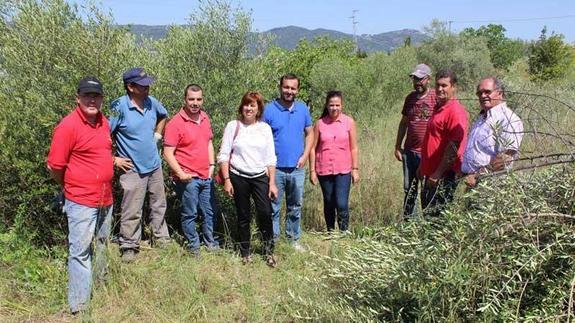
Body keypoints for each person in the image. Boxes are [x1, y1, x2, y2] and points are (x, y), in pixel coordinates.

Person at [47, 77, 114, 314]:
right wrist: (71, 185)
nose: (92, 100)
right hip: (81, 201)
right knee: (81, 251)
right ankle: (79, 306)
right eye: (87, 95)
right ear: (78, 98)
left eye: (96, 95)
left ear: (102, 99)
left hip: (106, 198)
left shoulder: (104, 122)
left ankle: (100, 289)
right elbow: (55, 165)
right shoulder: (68, 126)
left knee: (103, 245)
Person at [109, 67, 171, 263]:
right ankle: (128, 245)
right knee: (131, 208)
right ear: (130, 87)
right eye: (143, 86)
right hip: (132, 167)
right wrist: (114, 158)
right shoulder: (118, 107)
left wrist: (157, 136)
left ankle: (161, 239)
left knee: (159, 204)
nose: (147, 89)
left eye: (148, 85)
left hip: (154, 164)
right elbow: (102, 134)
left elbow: (163, 115)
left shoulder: (152, 103)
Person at [217, 91, 278, 266]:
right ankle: (245, 252)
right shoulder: (233, 126)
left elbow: (270, 158)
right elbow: (224, 155)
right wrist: (227, 180)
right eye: (246, 104)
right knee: (243, 215)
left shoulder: (264, 128)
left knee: (265, 213)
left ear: (258, 109)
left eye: (253, 105)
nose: (249, 108)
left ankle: (268, 251)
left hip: (260, 176)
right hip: (238, 176)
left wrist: (272, 183)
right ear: (241, 107)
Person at [163, 84, 219, 257]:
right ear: (185, 100)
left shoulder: (205, 118)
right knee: (190, 213)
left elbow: (208, 142)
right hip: (188, 178)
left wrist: (212, 165)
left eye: (198, 99)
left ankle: (210, 243)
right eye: (191, 99)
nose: (195, 103)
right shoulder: (175, 123)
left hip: (205, 175)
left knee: (210, 212)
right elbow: (167, 152)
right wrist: (180, 174)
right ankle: (194, 247)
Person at [262, 73, 313, 251]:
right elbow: (260, 136)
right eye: (286, 87)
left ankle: (293, 241)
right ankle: (273, 242)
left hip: (297, 168)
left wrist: (305, 155)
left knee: (295, 206)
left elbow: (310, 133)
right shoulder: (269, 110)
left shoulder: (303, 109)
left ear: (297, 90)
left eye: (293, 88)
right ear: (280, 87)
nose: (289, 91)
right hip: (275, 169)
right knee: (273, 207)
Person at [418, 69, 468, 217]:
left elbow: (454, 147)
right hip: (431, 171)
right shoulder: (438, 108)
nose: (440, 89)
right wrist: (423, 165)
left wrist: (438, 173)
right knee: (428, 212)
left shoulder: (456, 112)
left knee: (437, 217)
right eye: (438, 85)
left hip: (444, 175)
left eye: (444, 85)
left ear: (454, 87)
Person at [309, 91, 359, 232]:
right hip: (324, 169)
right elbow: (312, 148)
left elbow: (354, 148)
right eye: (331, 105)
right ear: (327, 105)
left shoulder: (349, 122)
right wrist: (312, 171)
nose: (334, 108)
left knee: (341, 203)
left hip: (344, 169)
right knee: (329, 202)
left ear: (342, 106)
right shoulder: (319, 124)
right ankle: (330, 231)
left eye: (337, 105)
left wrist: (355, 169)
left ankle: (343, 233)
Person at [462, 77, 524, 188]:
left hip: (492, 187)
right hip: (474, 184)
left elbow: (505, 157)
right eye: (479, 93)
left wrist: (477, 176)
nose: (483, 96)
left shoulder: (509, 119)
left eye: (487, 92)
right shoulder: (482, 118)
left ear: (500, 93)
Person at [394, 63, 436, 217]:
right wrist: (398, 146)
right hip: (409, 152)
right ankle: (408, 223)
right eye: (415, 79)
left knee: (427, 190)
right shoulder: (410, 99)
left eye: (421, 79)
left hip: (428, 154)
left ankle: (427, 223)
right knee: (409, 190)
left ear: (428, 79)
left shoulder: (435, 98)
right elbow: (404, 123)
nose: (417, 82)